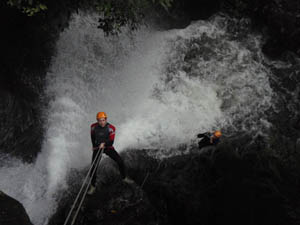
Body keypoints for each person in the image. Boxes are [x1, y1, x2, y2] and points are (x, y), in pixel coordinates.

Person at [88, 112, 133, 195]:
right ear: (97, 120)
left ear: (106, 119)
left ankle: (124, 177)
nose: (102, 122)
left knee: (120, 161)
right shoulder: (93, 127)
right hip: (98, 148)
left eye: (103, 120)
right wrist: (94, 146)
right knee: (93, 168)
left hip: (108, 147)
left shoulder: (111, 128)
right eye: (99, 120)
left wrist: (104, 143)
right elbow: (92, 137)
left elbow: (111, 142)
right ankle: (93, 186)